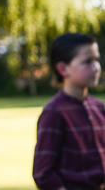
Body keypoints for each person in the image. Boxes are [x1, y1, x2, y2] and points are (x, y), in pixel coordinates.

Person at [33, 33, 105, 190]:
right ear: (63, 69)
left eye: (97, 60)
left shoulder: (99, 108)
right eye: (87, 62)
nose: (96, 67)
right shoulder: (54, 112)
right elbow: (43, 174)